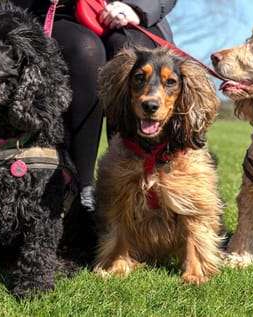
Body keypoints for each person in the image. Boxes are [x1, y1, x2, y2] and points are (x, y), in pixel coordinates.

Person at [11, 0, 176, 212]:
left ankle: (135, 187)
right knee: (86, 50)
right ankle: (80, 190)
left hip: (133, 14)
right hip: (61, 12)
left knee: (131, 52)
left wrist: (137, 8)